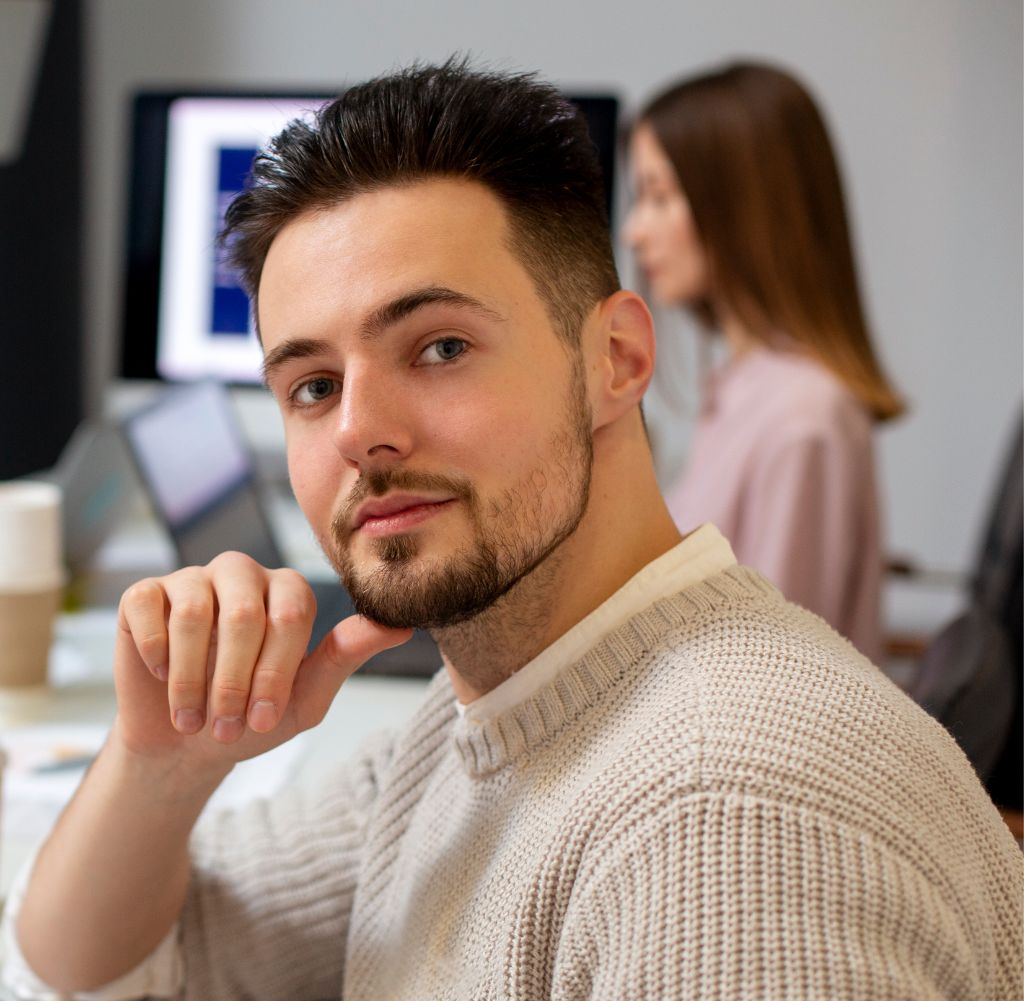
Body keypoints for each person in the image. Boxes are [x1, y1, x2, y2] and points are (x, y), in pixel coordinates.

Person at [3, 60, 1021, 1000]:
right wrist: (161, 762)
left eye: (439, 345)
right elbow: (103, 961)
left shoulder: (729, 817)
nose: (359, 429)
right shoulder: (481, 714)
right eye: (313, 385)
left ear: (616, 357)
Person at [625, 61, 903, 663]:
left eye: (658, 196)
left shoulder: (801, 420)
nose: (633, 231)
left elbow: (774, 671)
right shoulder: (746, 394)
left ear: (743, 207)